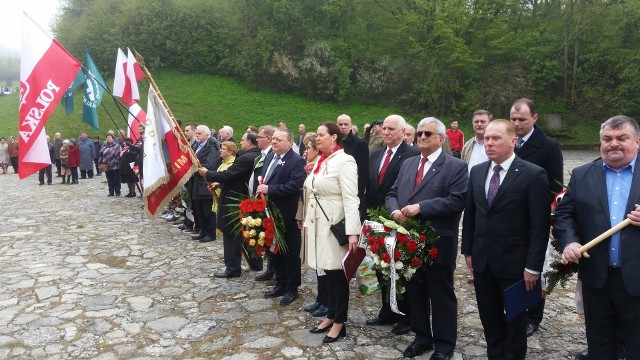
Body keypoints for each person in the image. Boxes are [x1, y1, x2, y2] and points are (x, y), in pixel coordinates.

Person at [461, 119, 550, 360]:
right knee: (490, 322)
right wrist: (468, 250)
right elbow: (470, 214)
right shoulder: (478, 171)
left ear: (513, 141)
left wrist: (533, 267)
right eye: (487, 138)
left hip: (517, 266)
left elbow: (539, 227)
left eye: (496, 138)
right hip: (482, 262)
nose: (489, 143)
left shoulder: (533, 175)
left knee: (515, 325)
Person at [555, 115, 640, 360]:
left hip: (637, 278)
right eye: (607, 138)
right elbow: (564, 215)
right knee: (600, 346)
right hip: (597, 279)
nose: (613, 143)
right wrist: (570, 241)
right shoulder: (582, 174)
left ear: (637, 141)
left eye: (621, 138)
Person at [387, 117, 468, 359]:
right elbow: (393, 192)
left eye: (428, 134)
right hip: (408, 241)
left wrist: (421, 207)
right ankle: (422, 336)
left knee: (441, 294)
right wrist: (394, 211)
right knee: (415, 291)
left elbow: (457, 200)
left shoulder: (455, 166)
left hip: (437, 242)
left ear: (441, 139)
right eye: (420, 133)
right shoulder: (409, 163)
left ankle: (444, 345)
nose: (422, 137)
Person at [300, 121, 360, 344]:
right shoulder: (321, 161)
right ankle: (331, 315)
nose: (317, 139)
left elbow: (351, 198)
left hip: (334, 224)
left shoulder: (345, 161)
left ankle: (339, 323)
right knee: (328, 271)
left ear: (334, 137)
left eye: (322, 135)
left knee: (338, 275)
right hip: (319, 224)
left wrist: (353, 232)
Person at [510, 98, 564, 336]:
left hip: (534, 217)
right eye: (513, 118)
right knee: (513, 268)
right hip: (508, 217)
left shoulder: (549, 146)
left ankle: (533, 315)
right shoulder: (508, 142)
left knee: (535, 267)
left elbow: (555, 186)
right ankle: (513, 309)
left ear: (534, 118)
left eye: (521, 119)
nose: (517, 123)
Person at [364, 114, 420, 336]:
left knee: (401, 269)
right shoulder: (376, 155)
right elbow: (371, 188)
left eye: (390, 129)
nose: (385, 132)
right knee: (381, 266)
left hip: (401, 219)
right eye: (384, 128)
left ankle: (405, 316)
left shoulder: (412, 154)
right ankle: (387, 310)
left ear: (403, 132)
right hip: (377, 219)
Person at [199, 132, 262, 278]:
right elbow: (236, 177)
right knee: (248, 232)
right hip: (243, 198)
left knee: (231, 234)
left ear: (250, 142)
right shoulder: (255, 155)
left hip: (234, 201)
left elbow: (228, 174)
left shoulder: (246, 158)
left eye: (243, 140)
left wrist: (207, 173)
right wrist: (219, 182)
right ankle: (256, 263)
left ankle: (232, 268)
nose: (240, 142)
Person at [256, 128, 306, 306]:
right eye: (274, 139)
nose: (275, 142)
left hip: (287, 214)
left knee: (290, 252)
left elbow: (295, 185)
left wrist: (270, 190)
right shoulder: (270, 156)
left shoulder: (296, 161)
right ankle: (280, 282)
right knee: (274, 250)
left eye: (279, 139)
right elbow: (265, 179)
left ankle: (292, 288)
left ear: (290, 142)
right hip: (269, 213)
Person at [298, 133, 330, 317]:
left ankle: (326, 301)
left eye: (308, 148)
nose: (305, 152)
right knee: (318, 264)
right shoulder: (312, 166)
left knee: (324, 264)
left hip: (321, 221)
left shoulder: (321, 167)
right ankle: (321, 299)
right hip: (310, 218)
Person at [252, 125, 276, 278]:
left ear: (268, 138)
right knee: (266, 236)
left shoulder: (272, 155)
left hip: (270, 201)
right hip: (261, 199)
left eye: (259, 137)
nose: (256, 140)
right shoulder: (263, 155)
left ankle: (273, 270)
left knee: (271, 236)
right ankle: (270, 268)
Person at [190, 125, 221, 243]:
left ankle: (210, 233)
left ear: (207, 135)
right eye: (196, 133)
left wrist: (193, 169)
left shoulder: (211, 149)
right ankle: (202, 231)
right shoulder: (195, 147)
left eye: (200, 133)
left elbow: (209, 166)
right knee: (198, 210)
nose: (197, 135)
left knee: (207, 211)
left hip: (205, 185)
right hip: (196, 184)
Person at [337, 114, 369, 221]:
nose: (343, 126)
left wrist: (359, 194)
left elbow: (363, 171)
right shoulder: (334, 142)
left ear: (350, 126)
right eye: (340, 124)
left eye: (346, 124)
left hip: (352, 188)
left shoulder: (360, 143)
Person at [210, 141, 237, 213]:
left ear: (230, 152)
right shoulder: (223, 163)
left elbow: (224, 177)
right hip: (217, 200)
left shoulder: (232, 164)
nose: (220, 150)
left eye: (223, 149)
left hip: (225, 201)